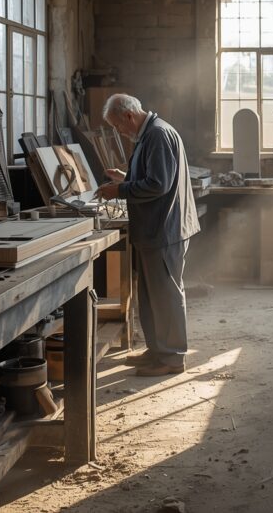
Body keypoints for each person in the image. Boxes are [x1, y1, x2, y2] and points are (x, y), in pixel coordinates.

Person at [98, 94, 200, 376]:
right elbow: (151, 175)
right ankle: (158, 350)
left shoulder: (157, 135)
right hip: (154, 230)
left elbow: (158, 184)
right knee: (151, 295)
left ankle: (172, 358)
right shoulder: (149, 135)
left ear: (129, 116)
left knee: (166, 295)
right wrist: (125, 177)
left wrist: (119, 190)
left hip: (165, 230)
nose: (119, 132)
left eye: (118, 126)